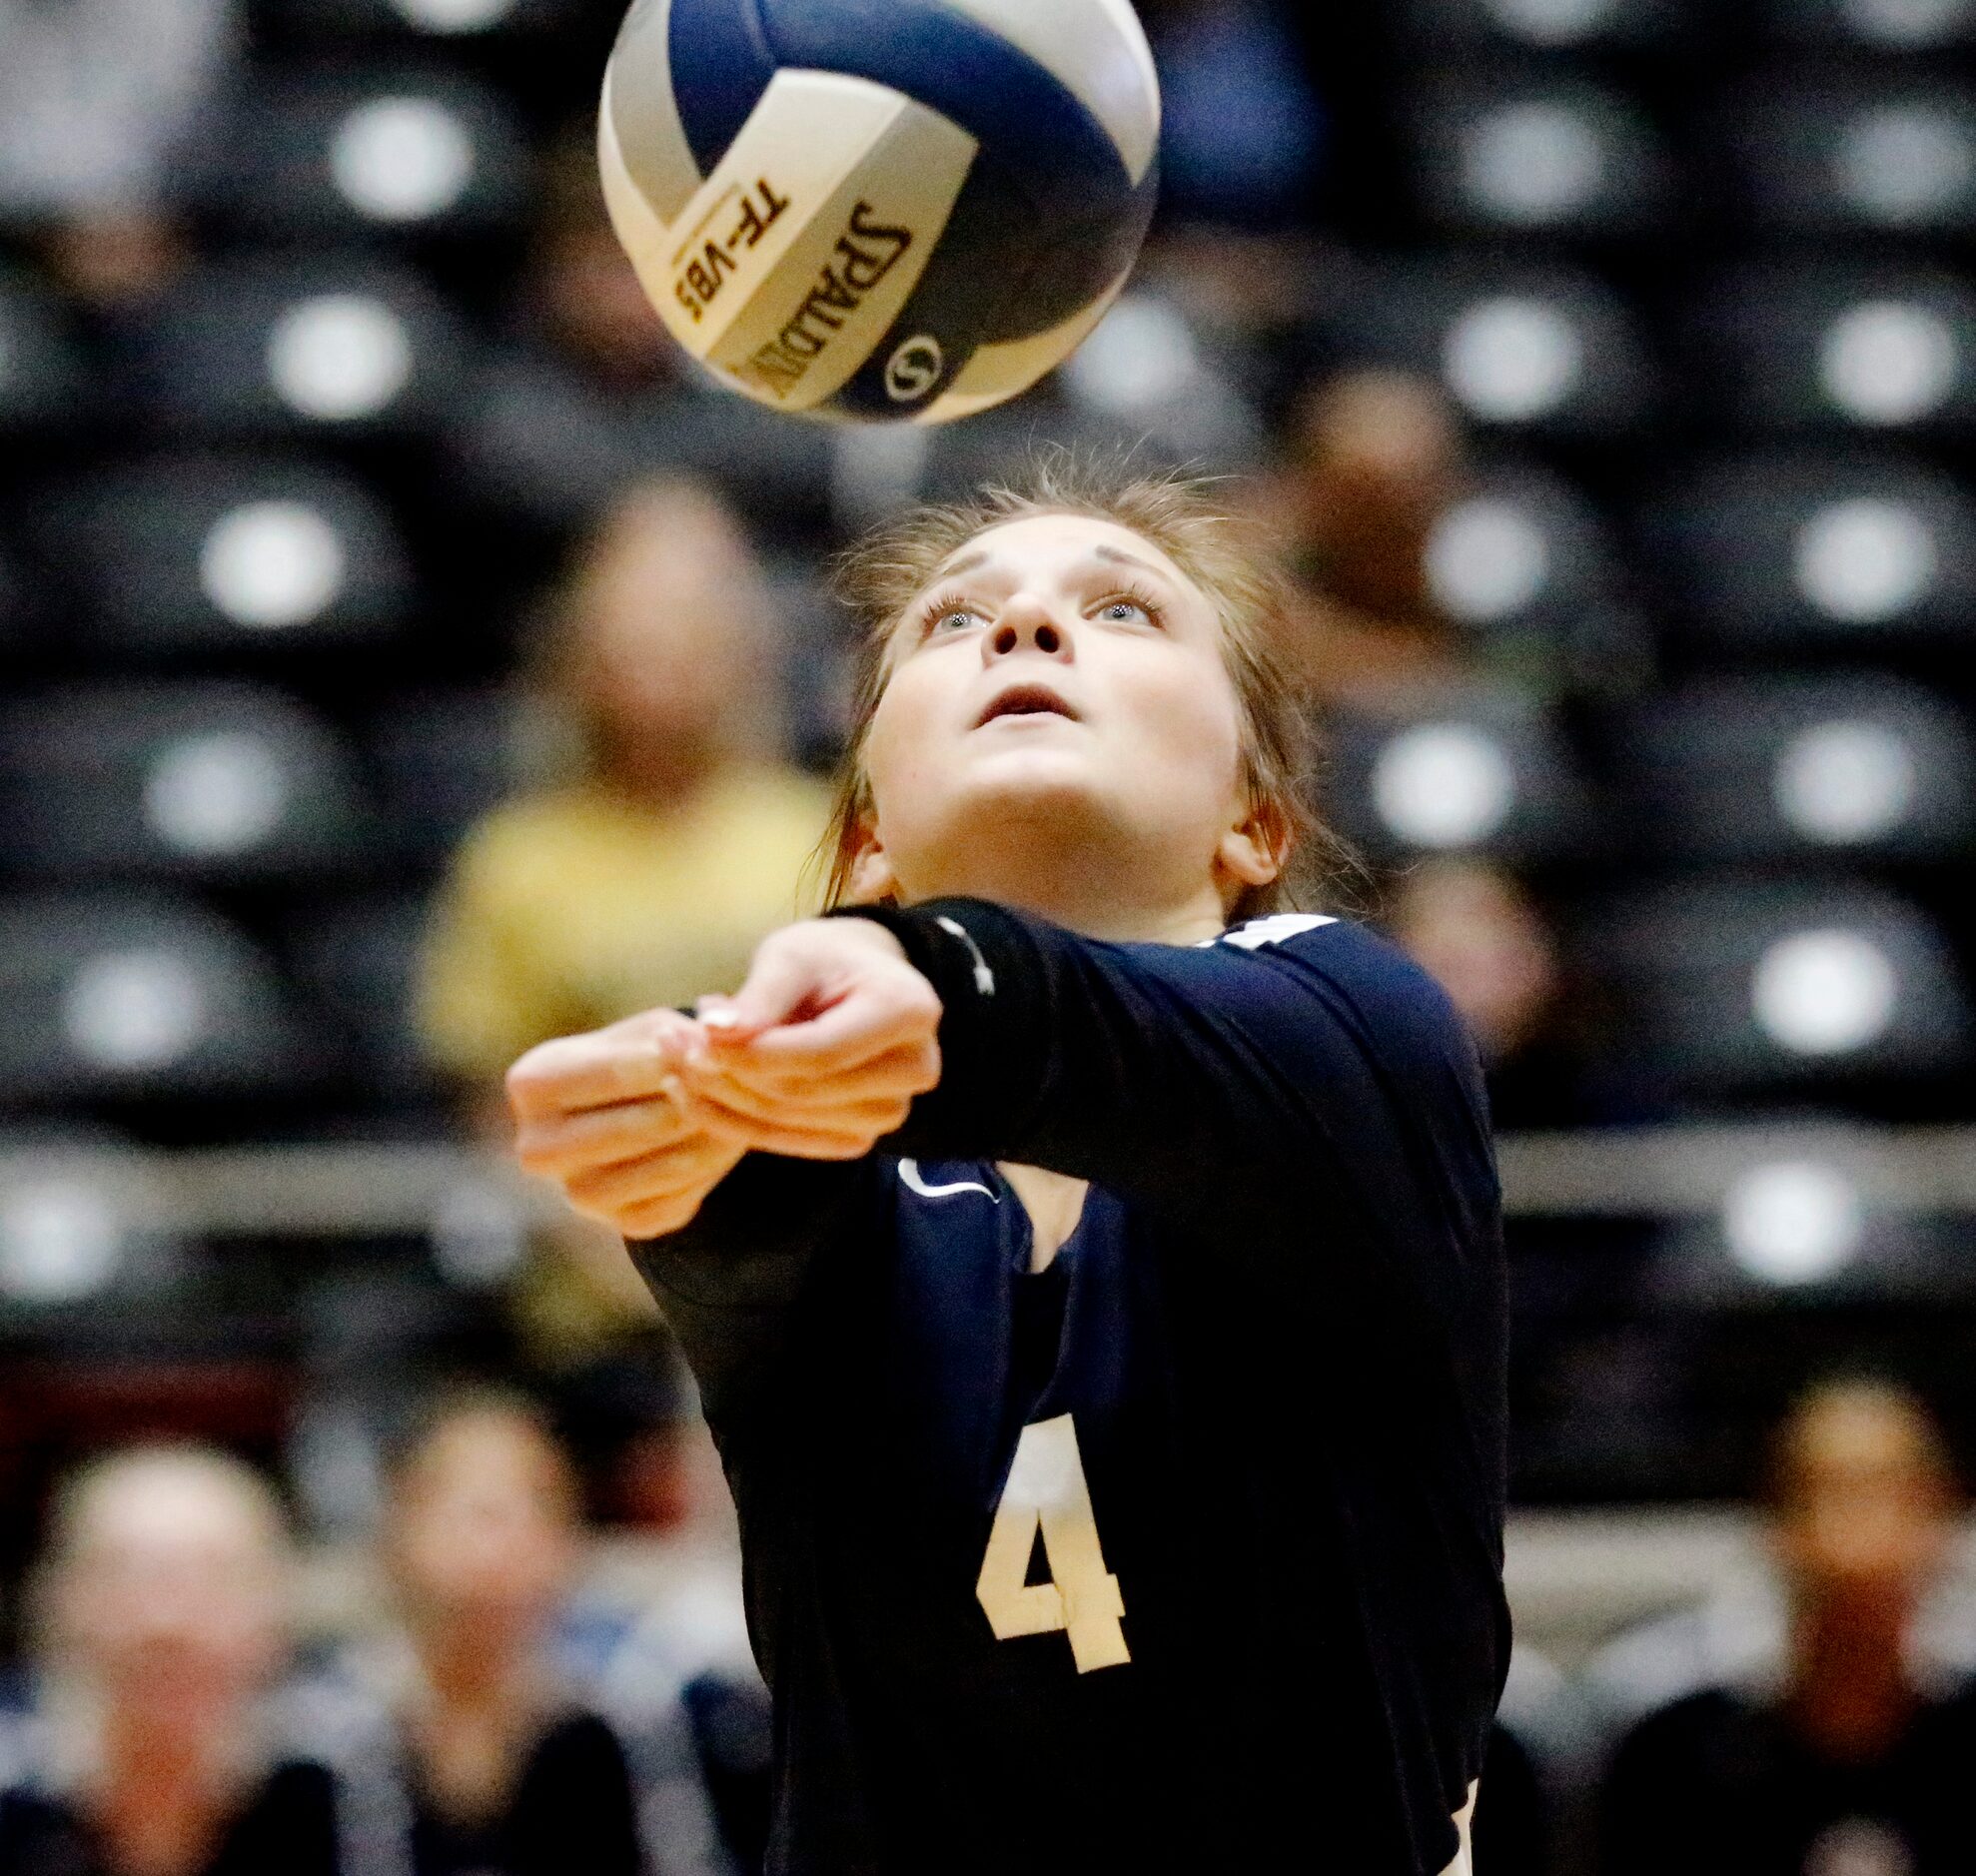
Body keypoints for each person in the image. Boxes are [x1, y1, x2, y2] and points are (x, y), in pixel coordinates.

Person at [506, 456, 1508, 1873]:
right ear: (863, 841)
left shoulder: (1353, 1029)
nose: (1026, 630)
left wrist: (922, 976)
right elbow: (748, 1225)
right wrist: (683, 1113)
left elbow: (1068, 1029)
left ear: (1253, 818)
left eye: (1122, 611)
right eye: (952, 622)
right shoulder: (847, 1196)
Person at [418, 473, 830, 1138]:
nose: (661, 652)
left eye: (690, 622)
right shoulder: (520, 858)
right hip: (595, 1209)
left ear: (745, 645)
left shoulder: (820, 835)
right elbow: (497, 1096)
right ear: (583, 650)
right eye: (637, 627)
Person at [344, 1390, 740, 1876]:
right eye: (471, 1509)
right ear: (394, 1533)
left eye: (532, 1505)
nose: (498, 1544)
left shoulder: (642, 1721)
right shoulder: (328, 1744)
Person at [1598, 1377, 1976, 1876]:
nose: (1858, 1528)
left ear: (1941, 1515)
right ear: (1775, 1522)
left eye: (1889, 1493)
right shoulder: (1673, 1746)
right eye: (1828, 1492)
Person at [0, 1445, 336, 1876]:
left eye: (212, 1579)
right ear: (55, 1598)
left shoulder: (351, 1791)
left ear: (279, 1604)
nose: (165, 1623)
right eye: (124, 1577)